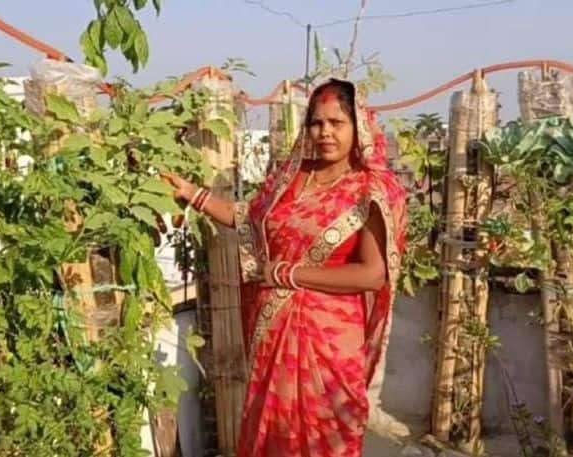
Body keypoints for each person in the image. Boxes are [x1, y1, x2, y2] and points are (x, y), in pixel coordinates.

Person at [162, 79, 408, 456]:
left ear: (359, 126)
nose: (325, 132)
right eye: (316, 122)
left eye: (337, 122)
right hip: (275, 331)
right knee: (272, 430)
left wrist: (290, 274)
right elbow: (247, 218)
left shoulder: (370, 189)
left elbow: (372, 274)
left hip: (330, 341)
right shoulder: (292, 177)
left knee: (325, 436)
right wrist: (191, 194)